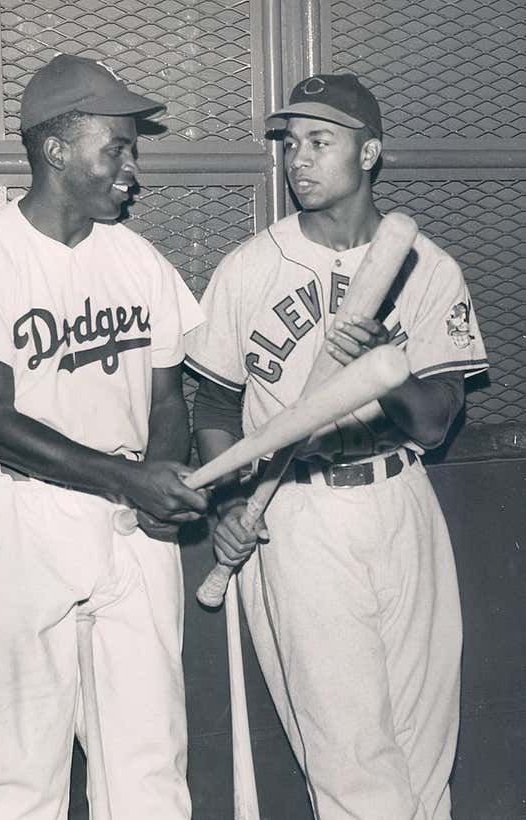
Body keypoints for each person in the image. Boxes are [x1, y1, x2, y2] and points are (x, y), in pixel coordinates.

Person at [0, 53, 209, 819]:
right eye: (117, 147)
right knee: (18, 772)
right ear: (56, 149)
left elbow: (167, 394)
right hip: (21, 515)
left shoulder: (137, 262)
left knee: (149, 765)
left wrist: (160, 478)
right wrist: (127, 479)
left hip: (129, 518)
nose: (132, 168)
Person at [185, 73, 488, 819]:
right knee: (350, 752)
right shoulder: (249, 267)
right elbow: (217, 402)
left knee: (423, 737)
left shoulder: (428, 269)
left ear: (370, 152)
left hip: (398, 498)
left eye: (320, 141)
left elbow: (433, 421)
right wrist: (227, 499)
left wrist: (382, 373)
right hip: (296, 510)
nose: (298, 159)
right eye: (291, 143)